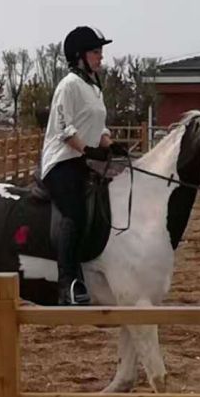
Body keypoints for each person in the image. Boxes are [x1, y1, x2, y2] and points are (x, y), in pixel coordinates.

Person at [40, 26, 125, 306]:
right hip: (61, 161)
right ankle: (67, 283)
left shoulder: (94, 88)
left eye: (100, 52)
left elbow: (99, 129)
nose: (101, 56)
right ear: (79, 56)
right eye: (95, 52)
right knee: (74, 212)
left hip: (81, 161)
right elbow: (65, 129)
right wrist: (88, 150)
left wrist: (111, 145)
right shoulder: (69, 85)